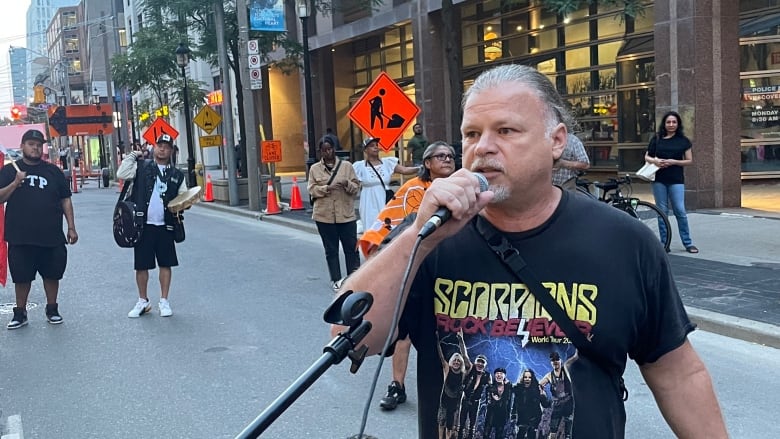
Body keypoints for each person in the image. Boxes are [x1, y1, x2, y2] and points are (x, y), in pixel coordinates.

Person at [333, 64, 726, 438]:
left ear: (556, 141)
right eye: (471, 134)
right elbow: (349, 335)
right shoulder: (428, 237)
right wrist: (418, 236)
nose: (483, 148)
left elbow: (677, 374)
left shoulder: (623, 241)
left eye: (505, 130)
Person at [358, 141, 457, 411]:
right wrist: (377, 255)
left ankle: (450, 386)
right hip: (416, 270)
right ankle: (397, 385)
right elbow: (387, 222)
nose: (447, 159)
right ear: (427, 163)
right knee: (404, 333)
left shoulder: (466, 189)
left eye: (450, 156)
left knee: (448, 334)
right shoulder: (413, 190)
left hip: (451, 274)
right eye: (440, 156)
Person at [0, 129, 78, 329]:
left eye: (38, 144)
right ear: (22, 146)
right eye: (30, 144)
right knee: (21, 277)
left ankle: (52, 309)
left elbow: (65, 199)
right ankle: (20, 313)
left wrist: (71, 227)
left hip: (50, 234)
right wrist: (16, 182)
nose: (35, 147)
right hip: (20, 235)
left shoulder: (53, 171)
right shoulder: (10, 171)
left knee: (52, 274)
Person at [117, 134, 187, 318]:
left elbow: (184, 197)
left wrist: (184, 204)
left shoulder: (177, 175)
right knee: (141, 265)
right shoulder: (142, 168)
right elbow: (122, 174)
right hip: (143, 225)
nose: (162, 149)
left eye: (166, 146)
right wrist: (133, 155)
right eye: (159, 145)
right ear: (154, 148)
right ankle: (143, 300)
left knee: (166, 263)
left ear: (171, 150)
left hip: (166, 226)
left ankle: (164, 300)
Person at [307, 137, 361, 291]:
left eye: (329, 149)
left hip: (346, 214)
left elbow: (356, 188)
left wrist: (346, 183)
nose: (327, 152)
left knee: (351, 248)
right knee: (331, 249)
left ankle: (354, 278)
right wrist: (327, 188)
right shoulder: (314, 169)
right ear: (320, 152)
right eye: (324, 150)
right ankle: (336, 279)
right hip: (324, 215)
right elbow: (311, 189)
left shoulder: (346, 166)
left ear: (334, 149)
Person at [644, 111, 698, 253]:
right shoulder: (657, 138)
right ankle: (664, 243)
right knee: (662, 211)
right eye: (668, 122)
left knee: (680, 210)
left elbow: (690, 160)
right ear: (664, 123)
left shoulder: (683, 140)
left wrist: (675, 162)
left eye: (674, 122)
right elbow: (647, 157)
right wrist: (656, 160)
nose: (671, 125)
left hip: (676, 179)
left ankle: (688, 243)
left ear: (678, 123)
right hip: (659, 179)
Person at [352, 137, 418, 228]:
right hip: (368, 201)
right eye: (372, 146)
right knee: (371, 226)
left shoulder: (387, 163)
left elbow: (405, 170)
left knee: (388, 226)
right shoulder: (359, 166)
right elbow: (349, 180)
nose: (375, 147)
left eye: (376, 145)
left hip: (385, 198)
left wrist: (420, 168)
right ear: (365, 150)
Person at [436, 330, 470, 439]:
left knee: (450, 426)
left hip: (455, 402)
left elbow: (465, 357)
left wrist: (461, 340)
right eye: (454, 360)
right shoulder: (447, 369)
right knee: (441, 423)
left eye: (458, 361)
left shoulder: (463, 373)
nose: (456, 362)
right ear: (451, 362)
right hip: (445, 399)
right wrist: (436, 340)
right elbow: (441, 356)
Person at [539, 352, 573, 438]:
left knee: (568, 432)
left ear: (560, 360)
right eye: (553, 360)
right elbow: (539, 385)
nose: (555, 362)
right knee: (553, 430)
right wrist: (542, 393)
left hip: (568, 402)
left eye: (557, 360)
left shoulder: (567, 370)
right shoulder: (549, 375)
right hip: (557, 405)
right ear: (551, 363)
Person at [458, 354, 492, 439]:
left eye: (482, 362)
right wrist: (460, 340)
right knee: (461, 424)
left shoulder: (487, 375)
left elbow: (492, 388)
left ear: (485, 364)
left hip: (476, 402)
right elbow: (465, 356)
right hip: (465, 399)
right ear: (475, 362)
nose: (480, 364)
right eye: (478, 361)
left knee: (472, 426)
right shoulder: (470, 369)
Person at [511, 369, 549, 439]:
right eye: (525, 377)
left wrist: (543, 395)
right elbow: (515, 403)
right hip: (522, 418)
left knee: (531, 435)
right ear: (523, 378)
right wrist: (513, 415)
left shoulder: (537, 389)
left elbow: (545, 405)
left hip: (534, 419)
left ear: (532, 378)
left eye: (529, 377)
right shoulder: (518, 389)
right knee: (520, 434)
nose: (527, 379)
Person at [483, 367, 512, 439]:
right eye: (497, 373)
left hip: (502, 415)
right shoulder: (490, 387)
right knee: (486, 434)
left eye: (501, 373)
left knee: (499, 435)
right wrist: (496, 401)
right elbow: (488, 402)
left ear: (505, 376)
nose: (499, 375)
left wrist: (508, 415)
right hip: (491, 415)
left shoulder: (508, 387)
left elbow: (509, 402)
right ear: (494, 375)